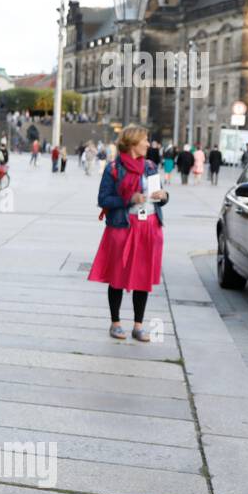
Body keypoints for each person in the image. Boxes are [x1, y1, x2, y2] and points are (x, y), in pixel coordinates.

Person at [88, 124, 168, 342]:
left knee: (142, 276)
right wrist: (129, 199)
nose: (148, 144)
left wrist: (163, 195)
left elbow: (161, 197)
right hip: (123, 227)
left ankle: (138, 326)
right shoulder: (114, 168)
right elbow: (103, 199)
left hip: (149, 227)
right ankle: (115, 323)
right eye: (144, 140)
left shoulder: (150, 166)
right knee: (117, 275)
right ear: (133, 143)